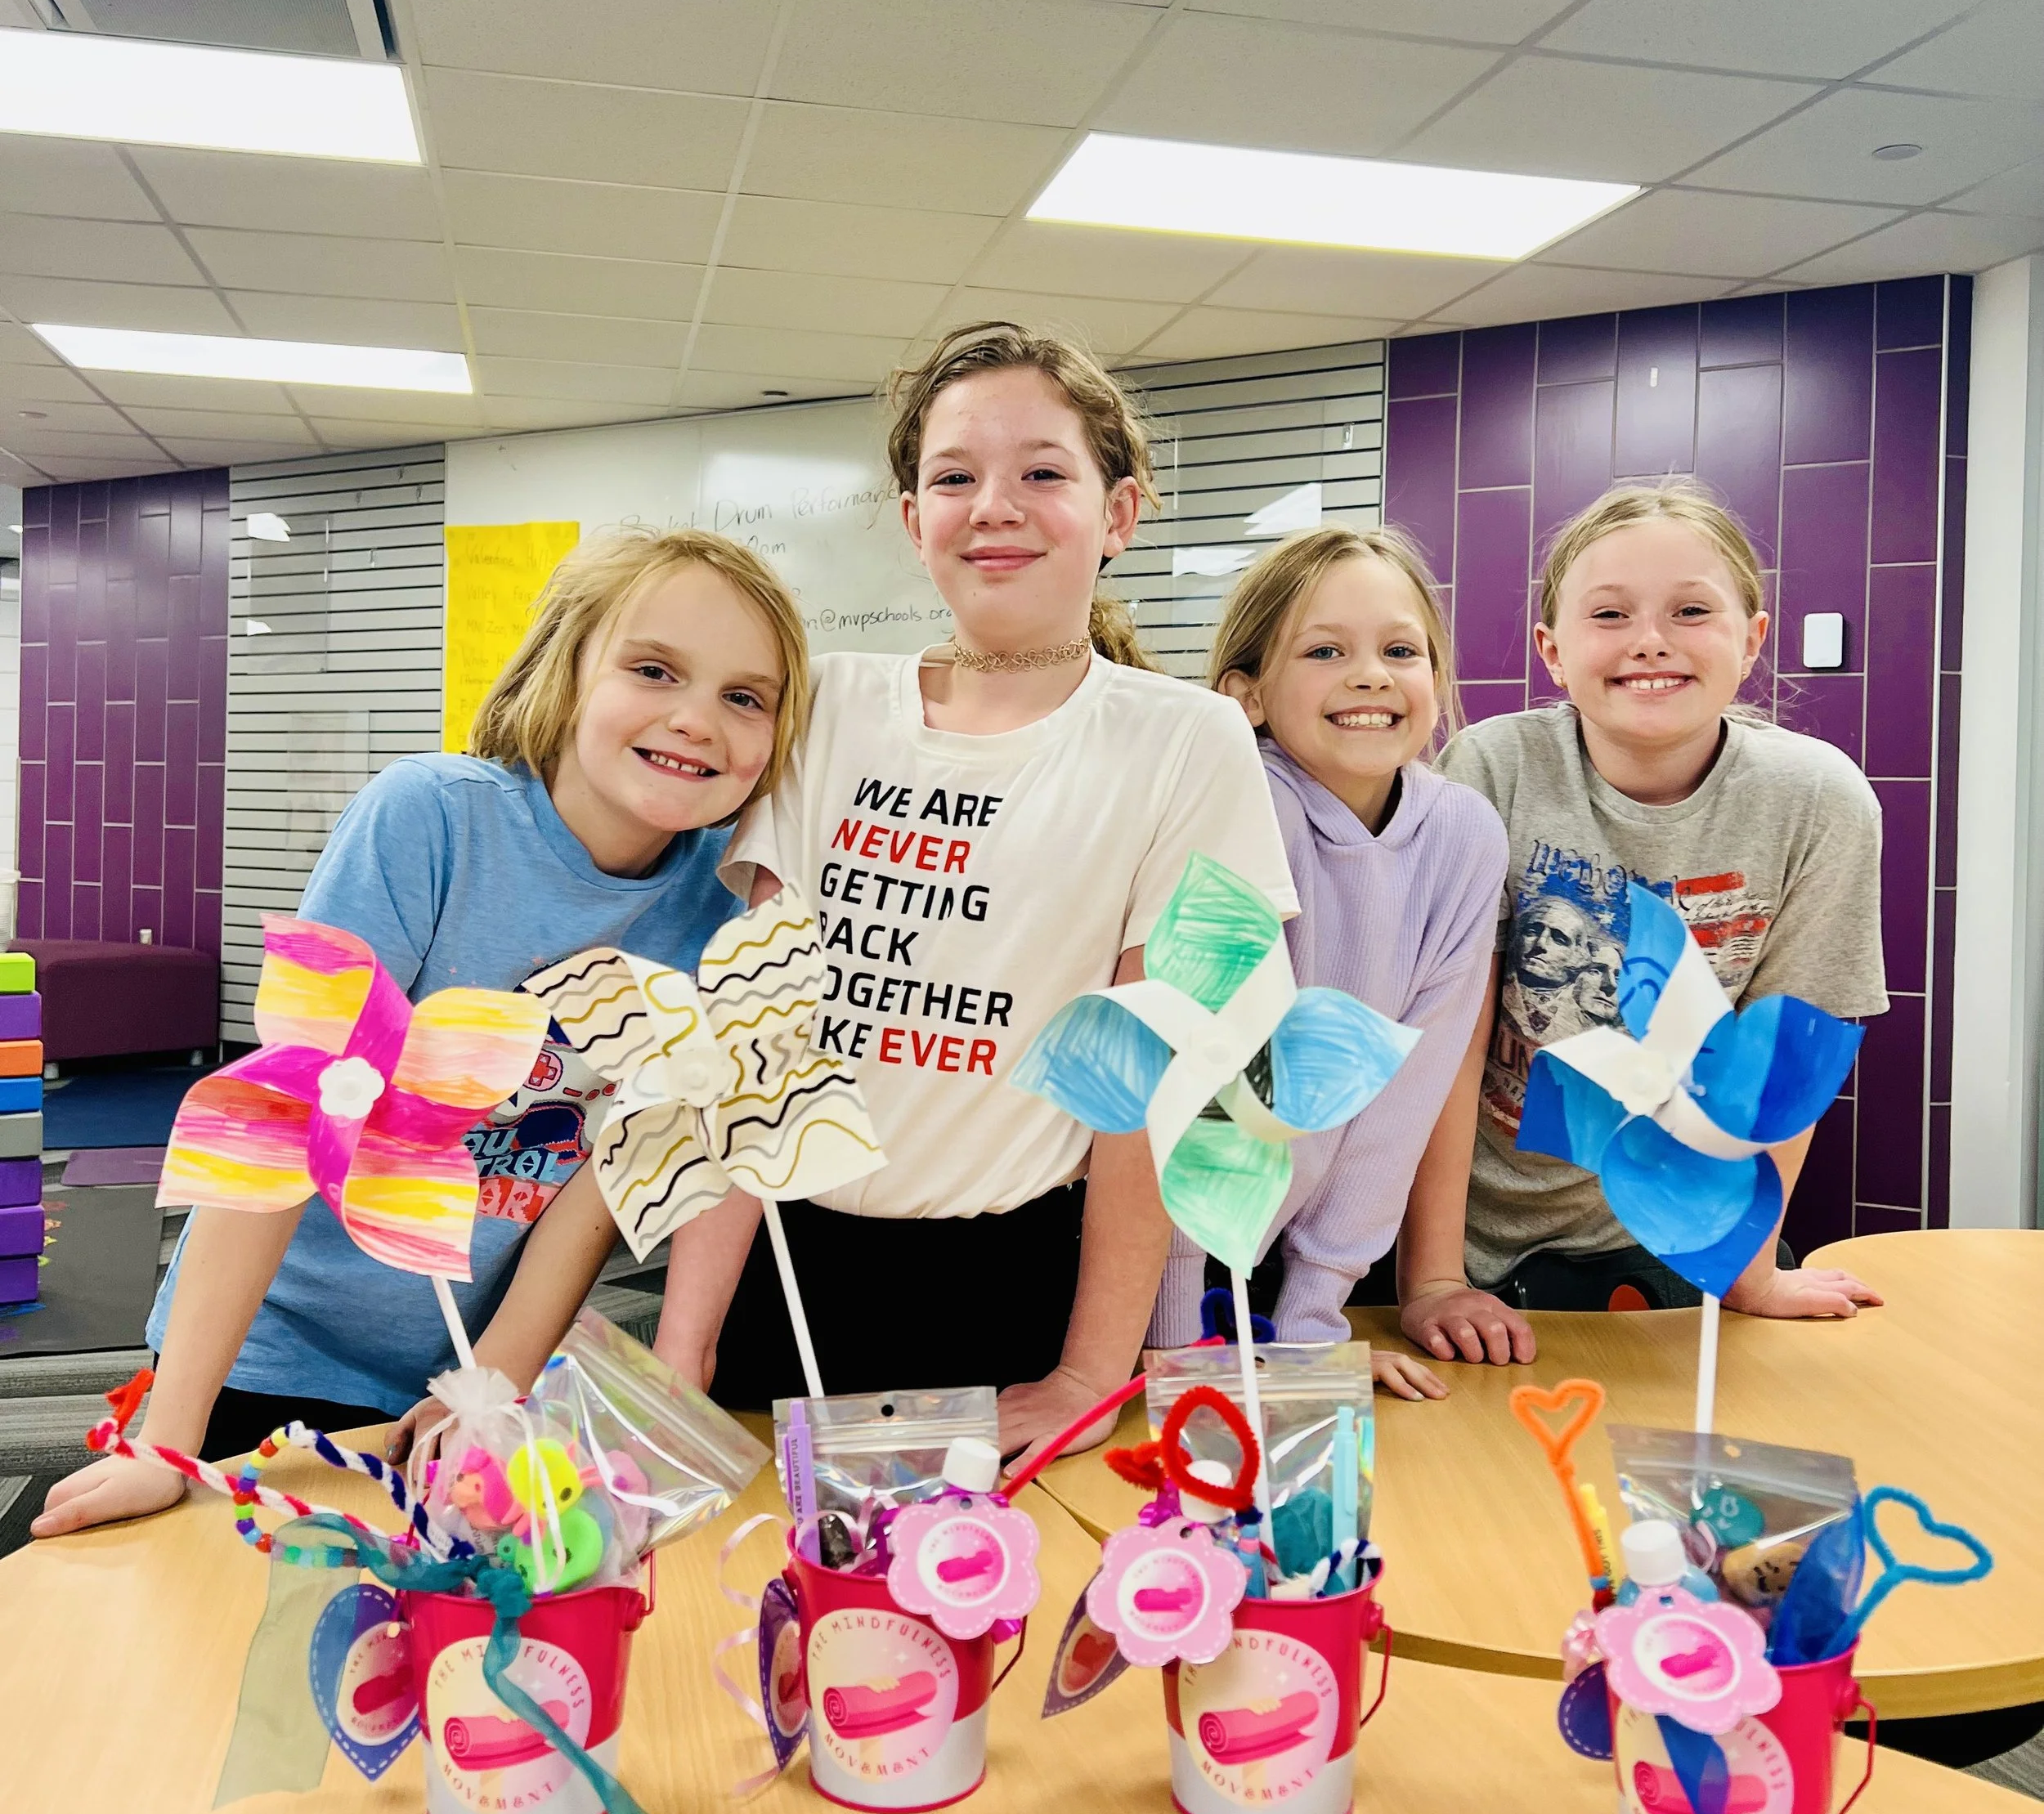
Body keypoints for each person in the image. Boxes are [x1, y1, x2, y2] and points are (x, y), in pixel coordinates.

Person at [34, 528, 806, 1536]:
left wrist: (487, 1382)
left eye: (746, 697)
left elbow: (600, 1182)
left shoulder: (723, 910)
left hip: (451, 1370)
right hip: (257, 1347)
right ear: (565, 670)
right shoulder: (431, 821)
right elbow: (286, 1109)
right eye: (654, 669)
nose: (697, 719)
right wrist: (169, 1438)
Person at [652, 321, 1297, 1465]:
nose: (994, 505)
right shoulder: (827, 706)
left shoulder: (1188, 741)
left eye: (1044, 472)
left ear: (1121, 513)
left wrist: (1093, 1371)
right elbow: (757, 1046)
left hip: (1013, 1298)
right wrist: (684, 1351)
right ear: (914, 522)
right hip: (782, 1269)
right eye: (954, 477)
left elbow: (1153, 1076)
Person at [1438, 477, 1887, 1318]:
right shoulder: (1489, 769)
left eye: (1690, 612)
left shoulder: (1819, 800)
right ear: (1551, 650)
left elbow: (1786, 1057)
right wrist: (1433, 1277)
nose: (1649, 642)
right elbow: (1448, 1047)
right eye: (1608, 615)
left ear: (1751, 639)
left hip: (1693, 1237)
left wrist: (1748, 1271)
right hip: (1470, 1243)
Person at [1153, 524, 1532, 1391]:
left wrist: (1313, 1330)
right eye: (1325, 650)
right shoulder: (1238, 811)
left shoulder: (1464, 834)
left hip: (1315, 1258)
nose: (1370, 675)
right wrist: (1174, 1346)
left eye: (1401, 650)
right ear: (1244, 696)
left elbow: (1409, 1088)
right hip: (1163, 1255)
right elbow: (1182, 1093)